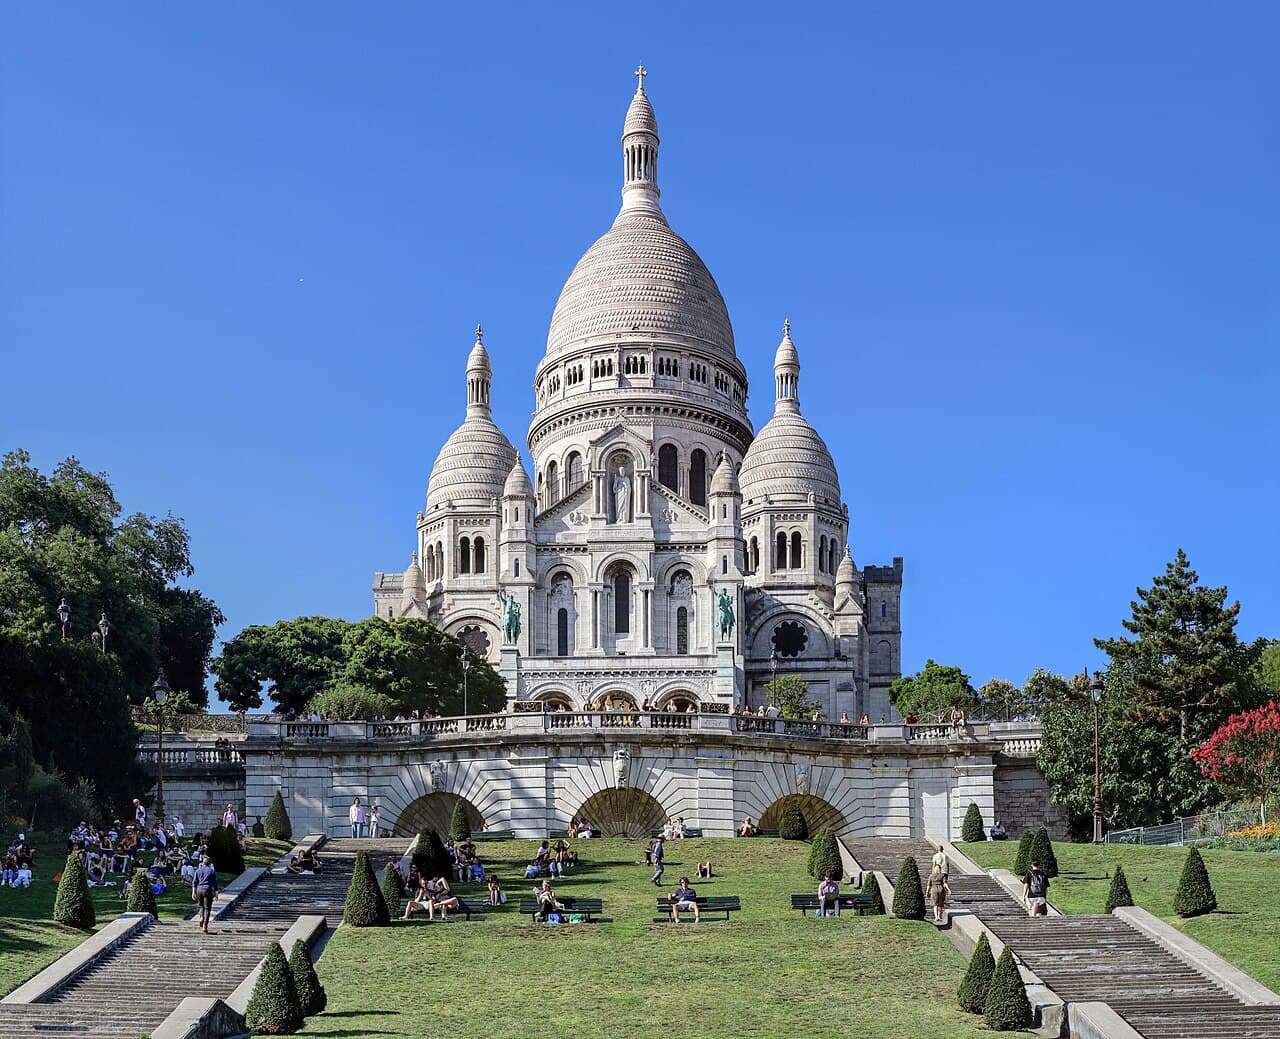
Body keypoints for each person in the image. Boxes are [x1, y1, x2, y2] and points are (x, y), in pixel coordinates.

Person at [192, 854, 219, 933]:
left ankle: (201, 917)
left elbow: (194, 882)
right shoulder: (211, 871)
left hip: (199, 890)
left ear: (203, 863)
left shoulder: (198, 870)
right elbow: (215, 883)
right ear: (210, 864)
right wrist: (216, 894)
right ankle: (205, 925)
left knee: (201, 906)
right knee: (207, 908)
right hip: (207, 890)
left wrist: (193, 892)